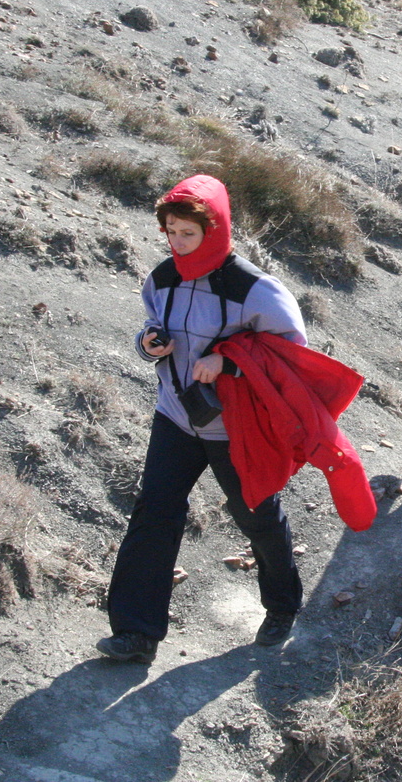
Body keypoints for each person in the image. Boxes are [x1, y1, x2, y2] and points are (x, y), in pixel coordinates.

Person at [96, 174, 305, 664]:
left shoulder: (255, 288)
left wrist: (229, 362)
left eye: (187, 233)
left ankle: (282, 606)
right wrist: (149, 343)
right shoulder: (162, 277)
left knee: (257, 515)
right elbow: (153, 324)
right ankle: (136, 632)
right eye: (170, 232)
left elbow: (290, 353)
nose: (176, 242)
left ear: (214, 229)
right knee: (155, 512)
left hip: (235, 427)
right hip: (175, 415)